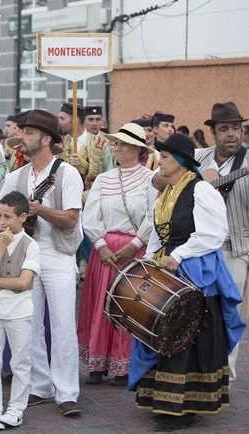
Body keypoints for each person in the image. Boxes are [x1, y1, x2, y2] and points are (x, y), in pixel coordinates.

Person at [130, 133, 245, 432]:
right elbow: (159, 232)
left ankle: (185, 406)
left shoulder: (201, 190)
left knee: (188, 333)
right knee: (165, 331)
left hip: (195, 268)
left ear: (180, 161)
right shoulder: (165, 193)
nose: (160, 161)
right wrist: (149, 259)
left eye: (165, 157)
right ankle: (165, 401)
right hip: (169, 265)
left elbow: (213, 233)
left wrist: (179, 255)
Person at [0, 109, 84, 416]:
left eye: (29, 133)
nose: (23, 137)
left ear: (45, 139)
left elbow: (71, 219)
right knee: (28, 326)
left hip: (58, 255)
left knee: (63, 326)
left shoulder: (66, 174)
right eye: (23, 132)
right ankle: (40, 386)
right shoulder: (16, 176)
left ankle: (67, 392)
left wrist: (37, 210)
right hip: (25, 257)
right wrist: (1, 224)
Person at [78, 123, 156, 386]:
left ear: (137, 148)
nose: (116, 147)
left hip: (135, 251)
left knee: (129, 307)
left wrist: (135, 244)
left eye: (121, 144)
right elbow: (91, 216)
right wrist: (101, 246)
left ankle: (124, 365)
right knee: (103, 306)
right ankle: (99, 362)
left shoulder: (149, 178)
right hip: (106, 251)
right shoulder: (103, 179)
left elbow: (152, 215)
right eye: (114, 143)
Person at [196, 102, 249, 381]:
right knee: (199, 315)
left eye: (236, 128)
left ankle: (224, 378)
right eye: (224, 129)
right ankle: (199, 373)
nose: (231, 134)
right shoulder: (198, 159)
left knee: (229, 317)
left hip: (234, 250)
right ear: (213, 133)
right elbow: (164, 178)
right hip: (201, 250)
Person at [0, 192, 40, 430]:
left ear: (22, 217)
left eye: (7, 217)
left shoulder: (31, 246)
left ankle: (16, 409)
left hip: (20, 311)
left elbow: (24, 283)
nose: (1, 222)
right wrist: (1, 245)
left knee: (20, 361)